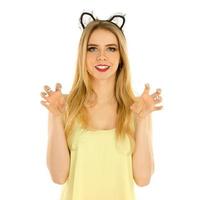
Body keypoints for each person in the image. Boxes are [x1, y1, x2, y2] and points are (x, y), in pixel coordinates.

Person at [40, 11, 163, 200]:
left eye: (111, 49)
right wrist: (56, 117)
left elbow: (143, 178)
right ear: (83, 55)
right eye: (93, 48)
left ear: (121, 57)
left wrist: (143, 119)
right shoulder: (63, 105)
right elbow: (58, 176)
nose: (102, 56)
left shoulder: (138, 108)